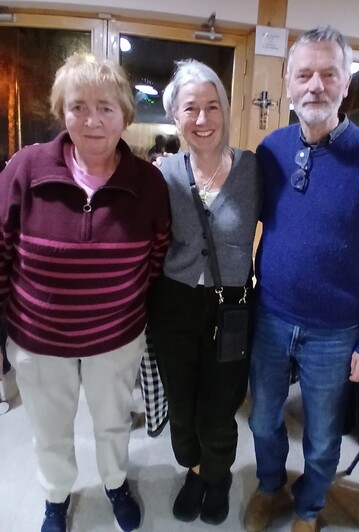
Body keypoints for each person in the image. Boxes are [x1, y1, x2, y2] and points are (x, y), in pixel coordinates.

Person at [0, 53, 171, 532]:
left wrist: (122, 303)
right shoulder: (26, 169)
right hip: (38, 340)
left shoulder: (148, 182)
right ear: (62, 112)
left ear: (125, 116)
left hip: (115, 339)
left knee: (112, 423)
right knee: (50, 430)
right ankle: (56, 497)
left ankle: (115, 483)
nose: (92, 120)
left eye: (105, 108)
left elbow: (156, 254)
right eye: (78, 107)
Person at [244, 26, 359, 532]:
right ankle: (270, 485)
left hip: (336, 331)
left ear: (345, 84)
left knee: (322, 436)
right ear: (289, 83)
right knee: (263, 419)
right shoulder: (270, 149)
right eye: (304, 74)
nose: (315, 85)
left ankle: (309, 507)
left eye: (329, 74)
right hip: (270, 317)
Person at [146, 59, 261, 526]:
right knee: (183, 402)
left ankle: (217, 475)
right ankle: (194, 469)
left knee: (219, 406)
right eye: (190, 108)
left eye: (213, 106)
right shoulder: (163, 173)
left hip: (232, 305)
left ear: (225, 111)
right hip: (174, 304)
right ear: (175, 116)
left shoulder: (254, 169)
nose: (202, 118)